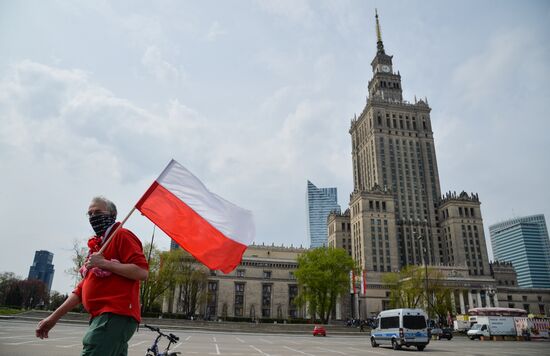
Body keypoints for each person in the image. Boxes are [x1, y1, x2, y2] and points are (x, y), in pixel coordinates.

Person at [36, 196, 149, 356]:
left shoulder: (122, 235)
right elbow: (81, 290)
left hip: (114, 315)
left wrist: (105, 264)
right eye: (90, 214)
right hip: (101, 317)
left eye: (98, 212)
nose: (93, 217)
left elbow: (142, 271)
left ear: (112, 214)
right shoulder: (98, 246)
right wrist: (53, 318)